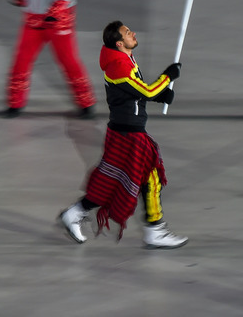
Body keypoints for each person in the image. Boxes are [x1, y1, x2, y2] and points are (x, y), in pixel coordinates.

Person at [59, 21, 187, 249]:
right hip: (130, 132)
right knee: (150, 176)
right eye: (128, 33)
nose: (133, 33)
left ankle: (75, 213)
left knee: (111, 181)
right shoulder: (118, 65)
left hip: (124, 128)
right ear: (120, 43)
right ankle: (154, 230)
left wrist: (159, 96)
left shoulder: (123, 59)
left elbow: (134, 91)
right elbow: (145, 90)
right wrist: (167, 76)